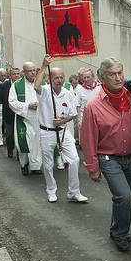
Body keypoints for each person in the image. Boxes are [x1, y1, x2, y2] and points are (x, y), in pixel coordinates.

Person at [81, 58, 131, 252]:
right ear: (102, 77)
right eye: (112, 74)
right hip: (109, 158)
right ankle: (120, 234)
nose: (118, 78)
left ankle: (117, 227)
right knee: (123, 196)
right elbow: (88, 139)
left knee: (128, 197)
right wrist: (92, 167)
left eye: (120, 73)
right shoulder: (93, 106)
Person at [35, 55, 88, 204]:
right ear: (50, 79)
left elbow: (72, 114)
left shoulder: (69, 94)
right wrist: (44, 65)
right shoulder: (44, 91)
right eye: (56, 77)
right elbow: (36, 86)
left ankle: (74, 192)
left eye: (61, 77)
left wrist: (63, 121)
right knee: (48, 164)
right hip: (47, 132)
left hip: (64, 132)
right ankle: (51, 191)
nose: (59, 80)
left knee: (74, 159)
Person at [9, 62, 43, 175]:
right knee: (23, 143)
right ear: (24, 72)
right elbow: (12, 102)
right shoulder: (16, 85)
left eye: (34, 70)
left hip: (38, 119)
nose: (33, 72)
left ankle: (36, 166)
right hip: (24, 118)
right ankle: (24, 164)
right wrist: (27, 106)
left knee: (37, 143)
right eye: (30, 71)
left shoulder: (41, 83)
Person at [74, 67, 100, 144]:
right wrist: (79, 120)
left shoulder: (100, 87)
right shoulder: (79, 89)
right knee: (86, 140)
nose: (86, 79)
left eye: (88, 77)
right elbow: (78, 106)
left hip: (98, 116)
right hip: (85, 116)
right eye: (84, 78)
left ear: (93, 77)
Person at [0, 67, 19, 158]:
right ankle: (10, 149)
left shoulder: (22, 85)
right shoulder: (4, 85)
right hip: (8, 113)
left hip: (19, 114)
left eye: (18, 74)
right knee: (10, 134)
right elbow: (0, 98)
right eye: (14, 74)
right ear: (10, 76)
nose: (16, 76)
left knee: (19, 134)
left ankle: (19, 153)